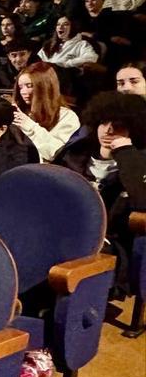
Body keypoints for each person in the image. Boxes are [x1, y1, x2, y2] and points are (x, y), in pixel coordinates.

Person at [58, 92, 146, 295]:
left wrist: (125, 152)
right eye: (104, 122)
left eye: (119, 125)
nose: (109, 130)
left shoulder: (138, 163)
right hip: (67, 229)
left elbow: (141, 200)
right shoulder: (75, 154)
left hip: (112, 243)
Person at [12, 62, 80, 162]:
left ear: (45, 87)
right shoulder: (20, 113)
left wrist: (30, 126)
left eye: (29, 86)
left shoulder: (67, 117)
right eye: (21, 87)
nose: (23, 92)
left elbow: (55, 153)